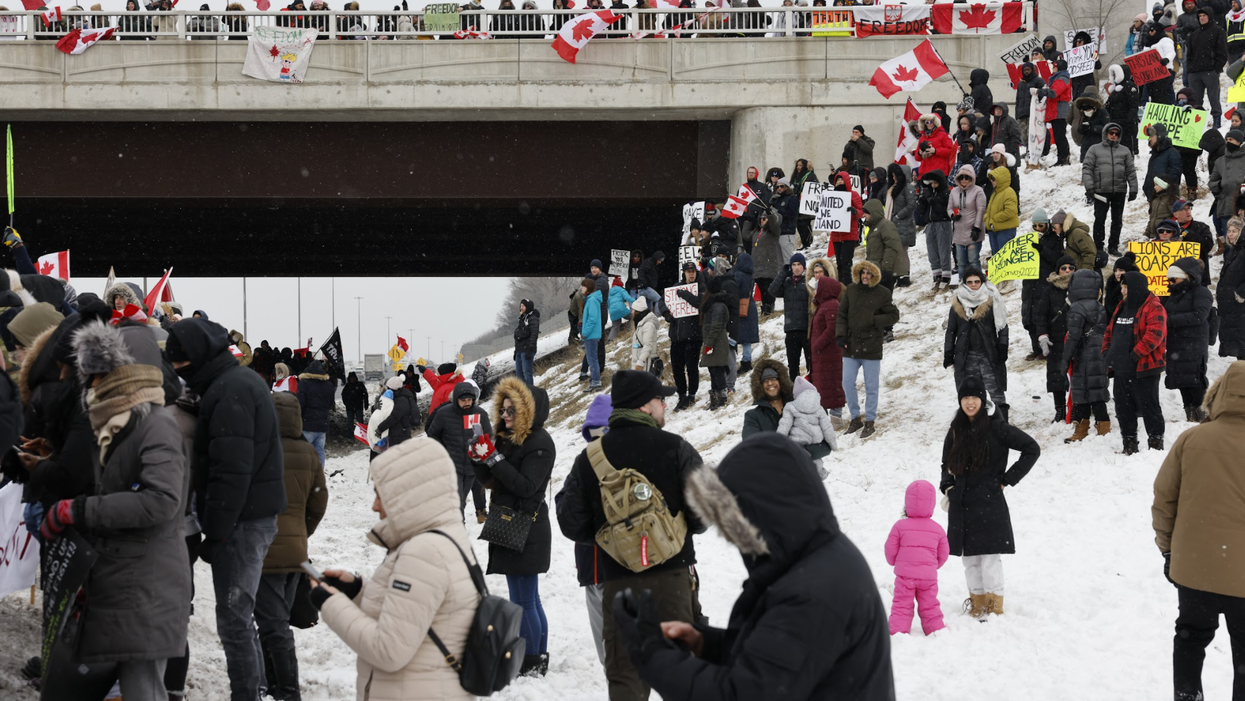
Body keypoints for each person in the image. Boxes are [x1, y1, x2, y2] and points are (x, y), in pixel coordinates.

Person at [612, 433, 895, 701]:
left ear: (765, 509)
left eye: (736, 518)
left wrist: (653, 656)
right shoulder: (816, 558)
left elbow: (744, 694)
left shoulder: (813, 592)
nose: (734, 537)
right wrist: (705, 644)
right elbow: (780, 662)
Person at [37, 322, 190, 701]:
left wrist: (80, 511)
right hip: (124, 579)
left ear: (124, 372)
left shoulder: (156, 426)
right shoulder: (118, 423)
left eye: (97, 375)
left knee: (142, 690)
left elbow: (161, 501)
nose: (89, 385)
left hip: (147, 583)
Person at [556, 370, 705, 701]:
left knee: (626, 679)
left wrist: (613, 537)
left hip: (619, 584)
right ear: (644, 407)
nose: (664, 404)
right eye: (659, 399)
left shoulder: (589, 458)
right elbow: (705, 514)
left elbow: (571, 524)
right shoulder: (676, 447)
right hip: (674, 582)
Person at [165, 317, 285, 701]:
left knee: (234, 618)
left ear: (196, 356)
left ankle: (247, 694)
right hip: (249, 516)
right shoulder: (233, 382)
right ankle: (258, 688)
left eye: (179, 362)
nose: (177, 371)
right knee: (240, 615)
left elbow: (231, 471)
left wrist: (215, 532)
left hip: (242, 522)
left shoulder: (229, 390)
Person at [310, 438, 477, 701]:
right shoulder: (443, 538)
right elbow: (414, 614)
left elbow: (388, 650)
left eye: (381, 494)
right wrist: (356, 590)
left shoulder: (424, 552)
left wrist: (329, 603)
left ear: (407, 497)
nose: (375, 506)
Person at [1152, 361, 1245, 701]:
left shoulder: (1192, 439)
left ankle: (1188, 695)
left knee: (1190, 638)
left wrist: (1168, 550)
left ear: (1217, 395)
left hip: (1195, 568)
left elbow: (1164, 500)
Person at [469, 377, 555, 676]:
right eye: (502, 411)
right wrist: (479, 460)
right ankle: (537, 657)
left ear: (526, 412)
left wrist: (494, 459)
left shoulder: (539, 442)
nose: (504, 416)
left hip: (526, 527)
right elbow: (495, 481)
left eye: (510, 411)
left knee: (523, 600)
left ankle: (530, 661)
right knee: (528, 598)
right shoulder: (512, 439)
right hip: (513, 524)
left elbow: (526, 487)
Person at [939, 377, 1039, 619]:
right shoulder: (955, 429)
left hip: (989, 501)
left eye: (974, 397)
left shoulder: (997, 427)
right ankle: (977, 602)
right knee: (970, 559)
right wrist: (947, 487)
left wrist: (1007, 479)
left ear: (983, 400)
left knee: (990, 558)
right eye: (965, 398)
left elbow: (1031, 448)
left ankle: (994, 605)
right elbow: (946, 463)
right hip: (962, 503)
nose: (970, 402)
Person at [257, 392, 328, 701]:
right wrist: (302, 532)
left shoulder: (258, 450)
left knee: (273, 624)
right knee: (276, 619)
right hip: (295, 552)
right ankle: (271, 682)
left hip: (263, 549)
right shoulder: (308, 452)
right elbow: (319, 501)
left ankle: (287, 691)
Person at [1103, 270, 1169, 455]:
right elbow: (1110, 331)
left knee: (1150, 407)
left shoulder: (1154, 307)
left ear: (1136, 287)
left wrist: (1133, 355)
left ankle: (1155, 445)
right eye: (1122, 286)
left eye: (1126, 287)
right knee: (1123, 408)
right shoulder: (1122, 306)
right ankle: (1129, 443)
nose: (1123, 290)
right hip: (1122, 368)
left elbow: (1154, 336)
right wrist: (1107, 353)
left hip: (1145, 367)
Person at [838, 261, 900, 438]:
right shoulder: (850, 289)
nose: (865, 276)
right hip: (850, 345)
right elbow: (842, 314)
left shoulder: (882, 293)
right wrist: (840, 335)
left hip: (872, 345)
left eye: (869, 273)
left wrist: (874, 320)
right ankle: (855, 418)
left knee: (871, 386)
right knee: (847, 382)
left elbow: (894, 315)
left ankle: (870, 421)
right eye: (862, 273)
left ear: (874, 275)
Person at [885, 479, 948, 636]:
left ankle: (898, 631)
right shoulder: (937, 529)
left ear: (908, 502)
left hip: (905, 576)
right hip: (928, 577)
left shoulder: (900, 526)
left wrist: (894, 562)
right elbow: (944, 553)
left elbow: (890, 549)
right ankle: (935, 630)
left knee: (901, 604)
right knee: (930, 605)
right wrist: (933, 565)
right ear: (931, 503)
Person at [943, 267, 1010, 417]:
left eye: (977, 281)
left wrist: (1002, 346)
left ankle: (1002, 425)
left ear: (982, 282)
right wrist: (948, 352)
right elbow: (951, 330)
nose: (973, 284)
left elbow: (1002, 325)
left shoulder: (992, 298)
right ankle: (974, 425)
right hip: (966, 357)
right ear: (964, 283)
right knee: (971, 394)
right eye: (970, 282)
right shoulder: (957, 301)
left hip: (989, 354)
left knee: (996, 391)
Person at [425, 380, 491, 521]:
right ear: (456, 400)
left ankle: (478, 512)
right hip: (452, 464)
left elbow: (489, 436)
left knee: (462, 498)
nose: (467, 403)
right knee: (457, 500)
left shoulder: (480, 414)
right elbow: (432, 434)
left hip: (472, 465)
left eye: (469, 400)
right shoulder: (444, 413)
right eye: (463, 400)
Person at [1062, 268, 1112, 442]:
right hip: (1099, 352)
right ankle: (1103, 426)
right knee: (1097, 391)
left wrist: (1065, 359)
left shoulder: (1076, 307)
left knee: (1081, 391)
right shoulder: (1099, 305)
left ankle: (1081, 429)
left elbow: (1073, 336)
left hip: (1083, 354)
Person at [1162, 257, 1214, 422]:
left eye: (1173, 279)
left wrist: (1170, 321)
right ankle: (1190, 413)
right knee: (1181, 379)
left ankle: (1204, 414)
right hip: (1176, 343)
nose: (1170, 282)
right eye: (1168, 279)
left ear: (1186, 277)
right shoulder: (1172, 295)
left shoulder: (1201, 292)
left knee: (1195, 380)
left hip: (1194, 344)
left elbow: (1199, 316)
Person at [1082, 122, 1138, 255]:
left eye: (1116, 133)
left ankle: (1113, 246)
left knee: (1117, 220)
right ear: (1105, 133)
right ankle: (1098, 246)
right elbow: (1087, 169)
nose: (1113, 135)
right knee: (1100, 219)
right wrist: (1089, 187)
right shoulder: (1094, 149)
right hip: (1101, 191)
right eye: (1111, 133)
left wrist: (1133, 188)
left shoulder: (1125, 150)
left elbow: (1131, 171)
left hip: (1119, 190)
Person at [1035, 256, 1077, 423]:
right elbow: (1041, 316)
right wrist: (1043, 336)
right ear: (1058, 270)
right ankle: (1059, 409)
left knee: (1078, 375)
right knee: (1057, 376)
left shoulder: (1081, 287)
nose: (1067, 271)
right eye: (1064, 267)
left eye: (1071, 268)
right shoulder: (1050, 290)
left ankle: (1076, 408)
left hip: (1076, 338)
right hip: (1056, 339)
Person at [775, 376, 836, 477]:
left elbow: (784, 425)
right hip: (814, 441)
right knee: (815, 461)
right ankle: (816, 473)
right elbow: (827, 427)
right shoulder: (819, 408)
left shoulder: (790, 406)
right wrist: (833, 443)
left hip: (797, 440)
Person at [667, 262, 704, 411]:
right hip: (677, 335)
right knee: (677, 367)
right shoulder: (676, 286)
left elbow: (700, 303)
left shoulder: (701, 286)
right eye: (688, 271)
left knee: (691, 367)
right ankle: (682, 394)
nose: (691, 274)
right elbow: (664, 302)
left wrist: (685, 294)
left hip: (694, 335)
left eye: (693, 271)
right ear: (684, 273)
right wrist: (666, 314)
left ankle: (692, 395)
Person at [769, 253, 811, 381]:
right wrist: (782, 273)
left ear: (804, 267)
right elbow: (772, 291)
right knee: (793, 365)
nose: (796, 267)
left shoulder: (809, 282)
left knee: (811, 363)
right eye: (794, 265)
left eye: (799, 264)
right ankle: (794, 390)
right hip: (791, 329)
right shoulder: (787, 282)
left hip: (806, 330)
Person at [1185, 6, 1227, 127]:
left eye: (1204, 16)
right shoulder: (1194, 34)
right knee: (1195, 100)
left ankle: (1217, 123)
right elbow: (1189, 54)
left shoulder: (1218, 31)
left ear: (1210, 16)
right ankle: (1196, 125)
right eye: (1200, 16)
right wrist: (1190, 70)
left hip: (1210, 71)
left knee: (1214, 98)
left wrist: (1216, 68)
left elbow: (1223, 52)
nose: (1202, 18)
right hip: (1195, 72)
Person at [699, 273, 734, 409]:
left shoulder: (718, 305)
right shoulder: (714, 304)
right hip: (714, 341)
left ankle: (721, 398)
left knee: (717, 370)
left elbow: (715, 327)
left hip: (716, 342)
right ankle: (716, 397)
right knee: (713, 370)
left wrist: (709, 344)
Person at [918, 169, 954, 290]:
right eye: (931, 183)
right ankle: (936, 275)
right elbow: (920, 212)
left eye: (935, 183)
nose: (933, 186)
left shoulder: (946, 193)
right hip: (930, 224)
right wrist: (923, 201)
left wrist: (933, 202)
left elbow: (944, 210)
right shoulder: (929, 193)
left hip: (943, 223)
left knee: (943, 250)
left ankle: (946, 276)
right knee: (932, 251)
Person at [949, 164, 986, 279]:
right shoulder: (954, 192)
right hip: (959, 232)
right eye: (961, 177)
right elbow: (949, 208)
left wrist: (976, 227)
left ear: (972, 178)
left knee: (973, 260)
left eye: (967, 177)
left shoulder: (978, 191)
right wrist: (952, 216)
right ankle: (963, 284)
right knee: (961, 262)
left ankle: (978, 283)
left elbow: (981, 209)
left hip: (973, 231)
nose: (964, 180)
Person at [295, 358, 334, 467]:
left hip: (307, 423)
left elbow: (300, 403)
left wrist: (297, 418)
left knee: (304, 451)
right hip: (322, 424)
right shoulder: (328, 385)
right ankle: (319, 473)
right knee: (319, 450)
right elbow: (330, 403)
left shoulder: (304, 384)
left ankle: (306, 473)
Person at [1209, 129, 1245, 245]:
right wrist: (1220, 184)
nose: (1228, 142)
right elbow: (1211, 183)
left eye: (1231, 140)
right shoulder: (1220, 161)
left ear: (1239, 142)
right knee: (1229, 241)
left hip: (1243, 205)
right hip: (1226, 205)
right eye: (1227, 140)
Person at [863, 199, 905, 293]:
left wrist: (886, 268)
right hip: (877, 270)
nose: (864, 215)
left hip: (884, 271)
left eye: (866, 213)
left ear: (873, 213)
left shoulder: (886, 225)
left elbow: (891, 247)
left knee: (883, 301)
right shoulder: (874, 227)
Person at [1173, 198, 1217, 286]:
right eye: (1183, 209)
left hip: (1198, 276)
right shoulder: (1170, 229)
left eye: (1189, 208)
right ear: (1175, 214)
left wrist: (1187, 233)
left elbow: (1207, 246)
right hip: (1177, 278)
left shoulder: (1202, 227)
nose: (1188, 211)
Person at [887, 163, 918, 287]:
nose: (894, 178)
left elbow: (911, 205)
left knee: (903, 251)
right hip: (895, 224)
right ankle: (899, 273)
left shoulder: (908, 188)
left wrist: (898, 216)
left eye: (896, 175)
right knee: (896, 251)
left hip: (904, 224)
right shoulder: (894, 188)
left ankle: (905, 275)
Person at [1220, 217, 1245, 359]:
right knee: (1239, 346)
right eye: (1229, 231)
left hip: (1240, 307)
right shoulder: (1234, 250)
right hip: (1233, 308)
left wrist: (1240, 294)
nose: (1230, 234)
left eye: (1234, 231)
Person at [374, 374, 419, 449]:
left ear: (392, 389)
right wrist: (376, 407)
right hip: (398, 433)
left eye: (387, 387)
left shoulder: (401, 400)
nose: (386, 389)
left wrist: (380, 428)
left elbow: (394, 417)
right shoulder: (396, 397)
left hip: (400, 434)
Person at [983, 165, 1019, 257]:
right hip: (994, 229)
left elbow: (1010, 211)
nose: (992, 181)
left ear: (1001, 179)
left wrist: (994, 219)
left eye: (994, 179)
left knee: (1004, 258)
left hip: (1005, 230)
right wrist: (987, 218)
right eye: (991, 179)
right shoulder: (995, 192)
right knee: (997, 258)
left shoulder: (1008, 192)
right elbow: (989, 209)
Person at [1105, 65, 1141, 155]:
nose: (1114, 77)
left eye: (1115, 74)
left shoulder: (1130, 86)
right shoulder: (1115, 89)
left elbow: (1134, 104)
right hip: (1115, 122)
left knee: (1127, 147)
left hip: (1126, 123)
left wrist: (1130, 120)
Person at [733, 251, 759, 373]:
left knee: (734, 336)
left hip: (739, 307)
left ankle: (734, 362)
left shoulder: (737, 274)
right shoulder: (750, 274)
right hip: (750, 306)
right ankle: (746, 361)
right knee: (746, 339)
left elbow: (734, 290)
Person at [1043, 59, 1073, 166]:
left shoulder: (1061, 79)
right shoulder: (1059, 78)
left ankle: (1064, 158)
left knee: (1059, 135)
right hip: (1057, 110)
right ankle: (1062, 157)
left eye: (1054, 66)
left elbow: (1054, 93)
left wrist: (1042, 91)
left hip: (1059, 111)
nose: (1053, 68)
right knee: (1058, 135)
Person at [580, 276, 604, 392]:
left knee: (592, 359)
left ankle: (596, 382)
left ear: (588, 288)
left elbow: (592, 319)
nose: (581, 288)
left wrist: (585, 333)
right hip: (592, 334)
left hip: (591, 335)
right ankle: (595, 381)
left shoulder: (592, 300)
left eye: (583, 286)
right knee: (592, 359)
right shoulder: (590, 299)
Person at [1073, 87, 1108, 161]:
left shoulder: (1102, 113)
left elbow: (1106, 128)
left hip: (1099, 145)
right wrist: (1082, 128)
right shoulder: (1083, 114)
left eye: (1088, 108)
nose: (1087, 110)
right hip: (1086, 145)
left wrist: (1092, 128)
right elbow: (1079, 129)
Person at [514, 298, 540, 385]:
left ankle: (530, 393)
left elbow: (534, 334)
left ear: (528, 307)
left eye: (523, 306)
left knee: (527, 373)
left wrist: (530, 348)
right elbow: (517, 334)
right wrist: (516, 351)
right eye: (520, 305)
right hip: (519, 350)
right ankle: (522, 394)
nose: (520, 308)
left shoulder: (533, 318)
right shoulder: (522, 319)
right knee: (519, 375)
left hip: (527, 350)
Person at [630, 296, 659, 373]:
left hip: (645, 365)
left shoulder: (648, 325)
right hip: (638, 363)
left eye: (633, 310)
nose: (631, 312)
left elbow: (648, 346)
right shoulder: (641, 324)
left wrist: (640, 363)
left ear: (638, 311)